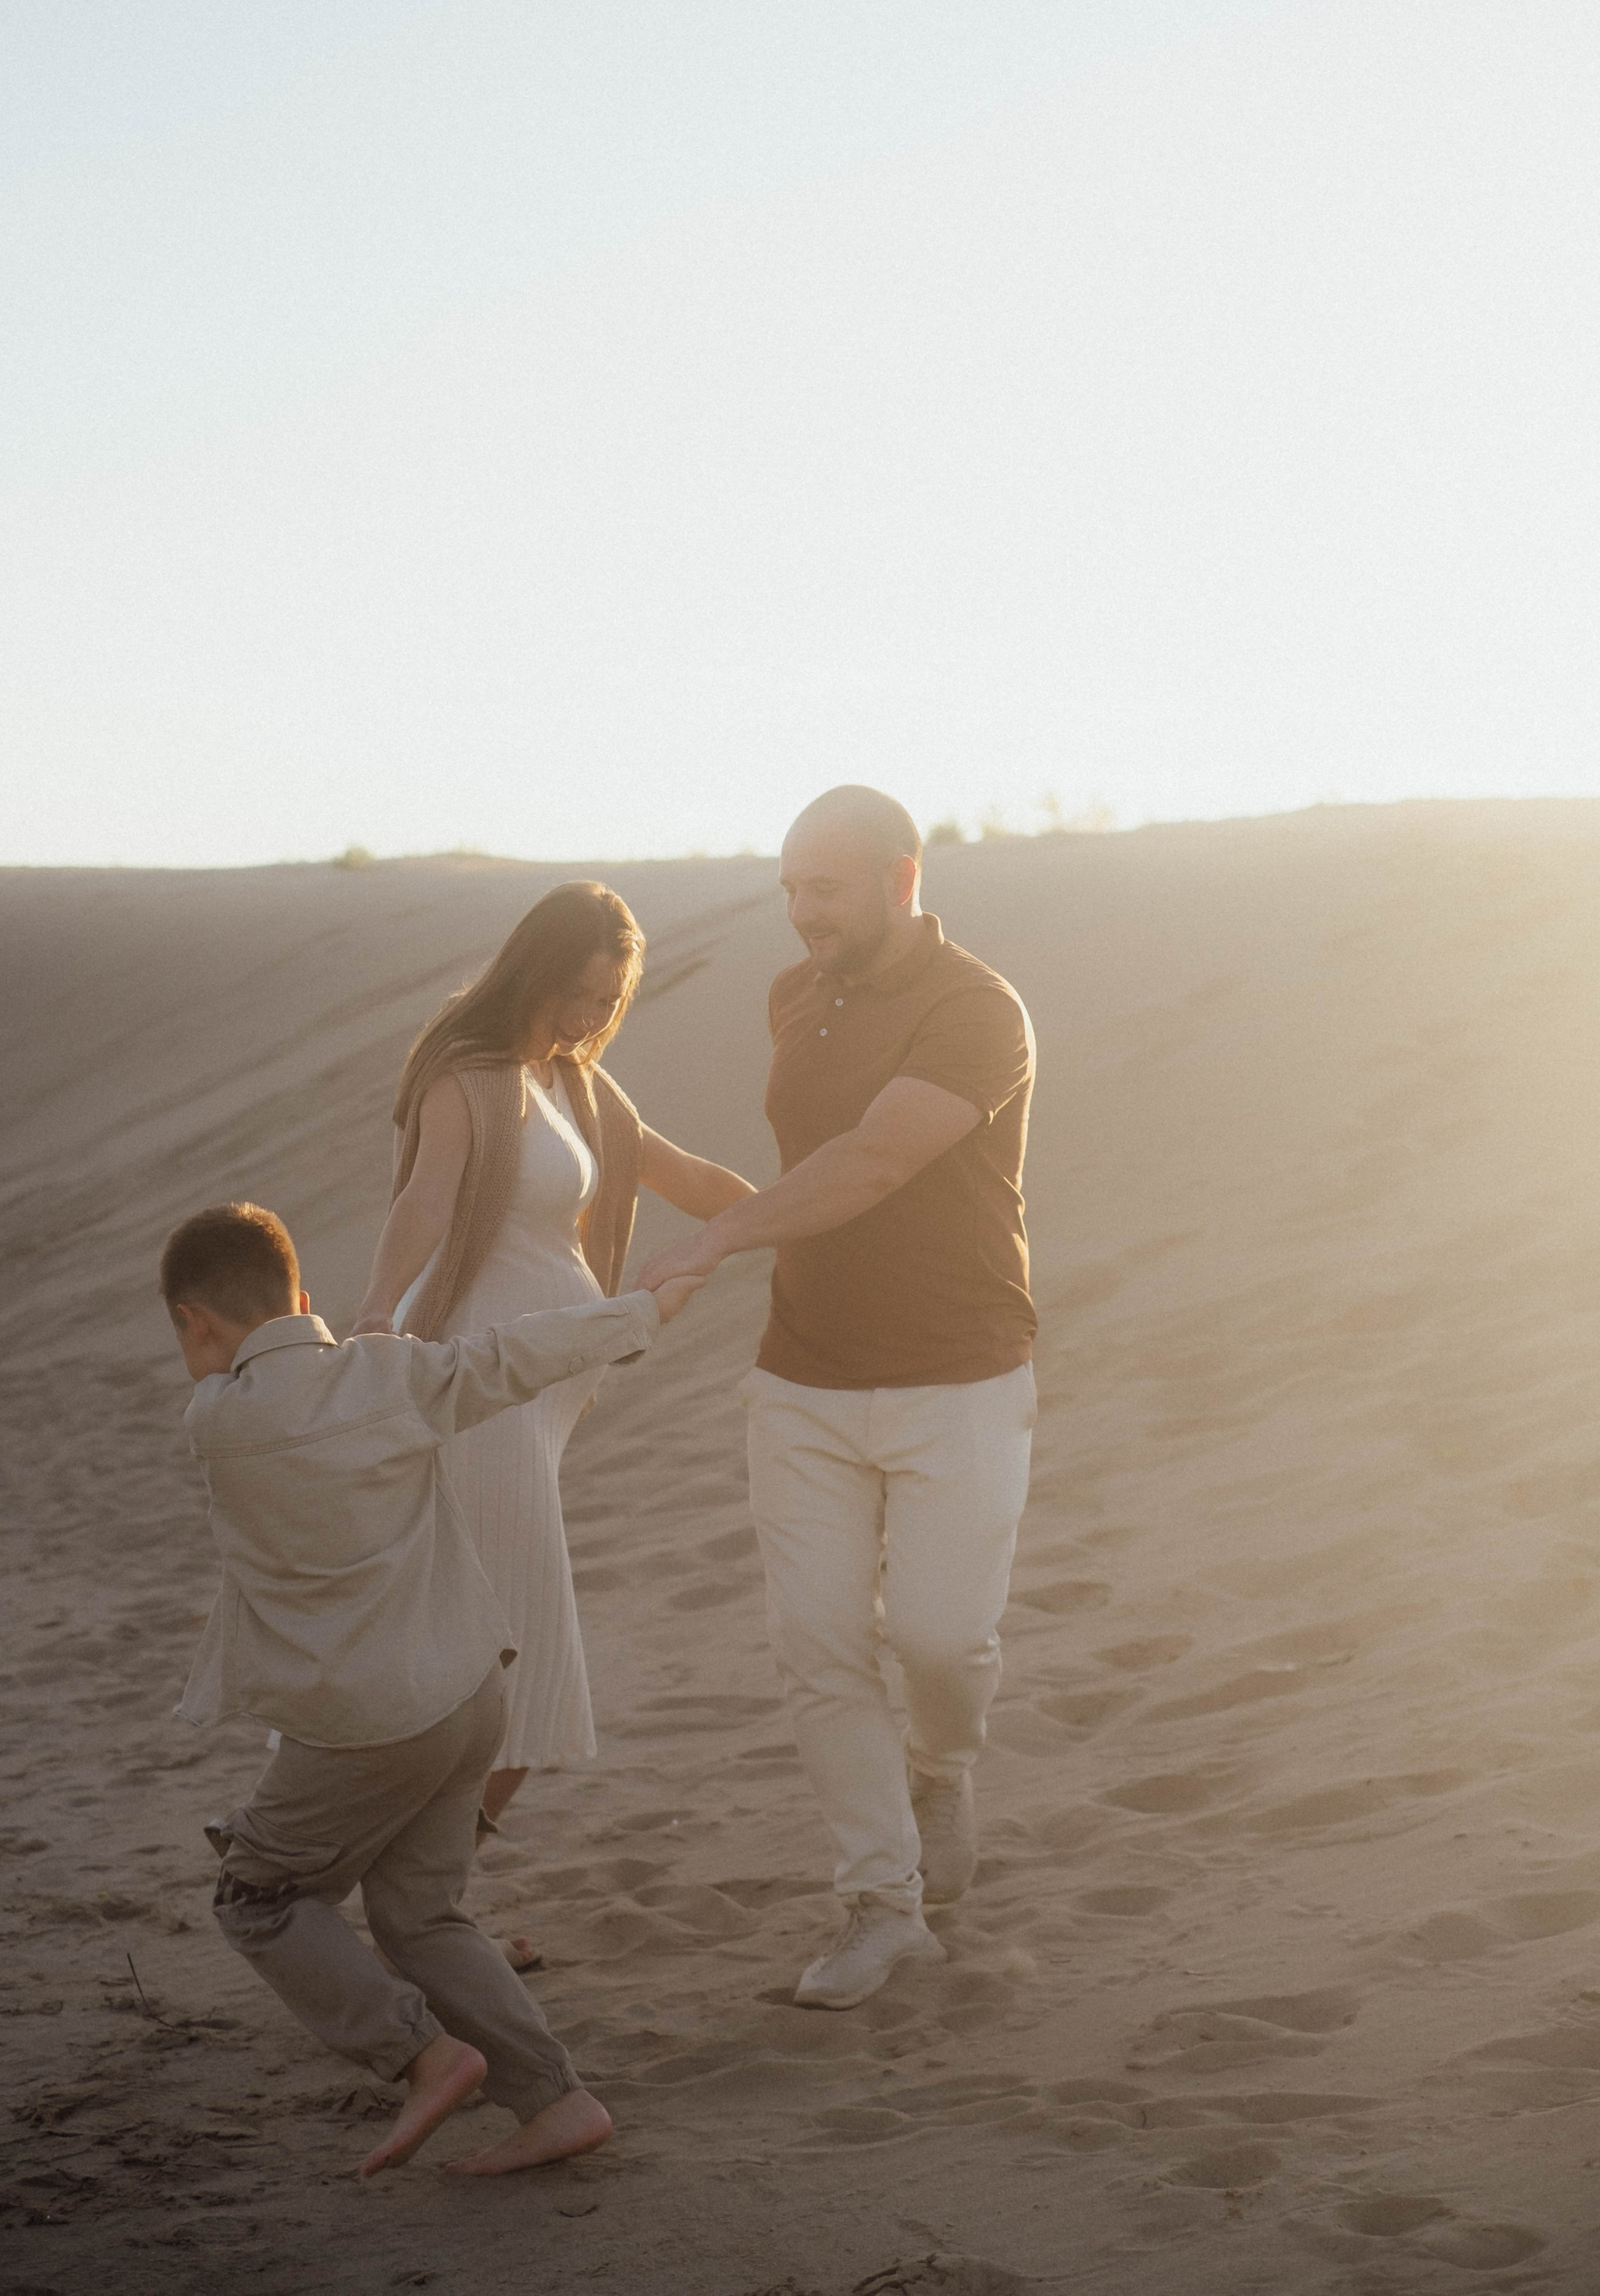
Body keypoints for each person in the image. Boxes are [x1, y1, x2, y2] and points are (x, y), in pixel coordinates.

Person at [164, 1199, 704, 2179]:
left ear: (194, 1324)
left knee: (259, 1896)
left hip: (365, 1727)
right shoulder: (392, 1377)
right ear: (305, 1297)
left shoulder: (216, 1421)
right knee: (420, 1914)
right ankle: (556, 2099)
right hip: (469, 1699)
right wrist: (643, 1311)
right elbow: (512, 1353)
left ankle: (422, 2054)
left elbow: (267, 1384)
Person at [639, 786, 1037, 2010]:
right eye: (789, 890)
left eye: (827, 889)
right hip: (803, 1374)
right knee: (818, 1648)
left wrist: (725, 1238)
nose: (802, 914)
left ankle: (941, 1768)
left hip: (958, 1373)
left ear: (901, 878)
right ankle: (881, 1907)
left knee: (937, 1638)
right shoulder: (792, 996)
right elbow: (801, 1161)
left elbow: (873, 1160)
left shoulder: (977, 1010)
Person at [349, 881, 753, 1839]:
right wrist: (373, 1316)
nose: (588, 1016)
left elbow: (689, 1179)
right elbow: (425, 1204)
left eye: (607, 1002)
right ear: (531, 971)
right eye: (575, 993)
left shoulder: (575, 1087)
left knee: (488, 1662)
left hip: (538, 1408)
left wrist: (799, 1220)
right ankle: (417, 1883)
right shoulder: (470, 1074)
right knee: (516, 1660)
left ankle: (426, 1883)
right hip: (478, 1395)